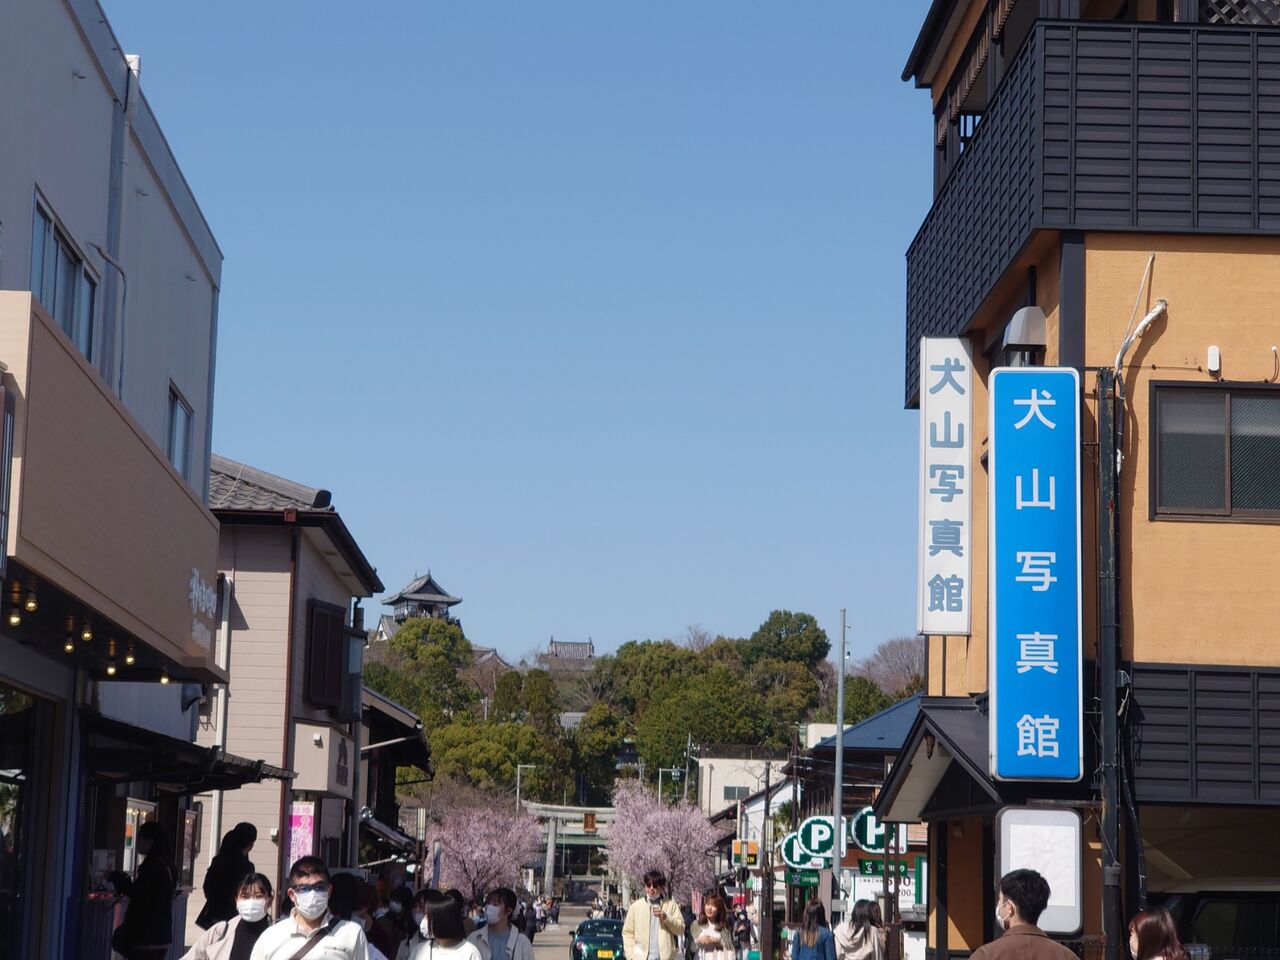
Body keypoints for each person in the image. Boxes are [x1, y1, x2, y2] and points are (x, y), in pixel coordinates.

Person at [249, 855, 369, 959]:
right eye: (304, 889)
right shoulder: (270, 937)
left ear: (329, 891)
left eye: (319, 887)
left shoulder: (351, 933)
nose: (313, 894)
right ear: (292, 894)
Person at [970, 869, 1077, 960]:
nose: (998, 904)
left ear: (1009, 907)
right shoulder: (1067, 956)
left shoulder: (986, 955)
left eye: (1000, 899)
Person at [109, 821, 177, 960]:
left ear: (151, 841)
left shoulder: (154, 866)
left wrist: (118, 879)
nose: (138, 843)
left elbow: (140, 893)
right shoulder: (168, 865)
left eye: (140, 839)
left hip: (145, 935)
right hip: (161, 933)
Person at [181, 872, 275, 960]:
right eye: (244, 896)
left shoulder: (278, 935)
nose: (251, 901)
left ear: (270, 901)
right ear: (236, 900)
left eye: (258, 896)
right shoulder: (220, 932)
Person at [197, 823, 258, 929]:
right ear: (251, 843)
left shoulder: (218, 861)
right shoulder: (246, 866)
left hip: (215, 913)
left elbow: (207, 886)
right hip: (235, 916)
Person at [622, 869, 687, 960]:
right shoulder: (636, 907)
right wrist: (631, 955)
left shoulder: (671, 905)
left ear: (661, 887)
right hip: (641, 957)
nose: (651, 888)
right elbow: (627, 932)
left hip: (664, 957)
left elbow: (680, 929)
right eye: (648, 885)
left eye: (655, 885)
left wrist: (666, 918)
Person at [407, 889, 484, 960]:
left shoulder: (470, 953)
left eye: (427, 916)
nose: (424, 920)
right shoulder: (419, 951)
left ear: (441, 919)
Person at [469, 887, 534, 960]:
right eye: (488, 903)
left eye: (495, 904)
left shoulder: (522, 943)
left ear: (508, 911)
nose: (489, 907)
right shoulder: (474, 938)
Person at [380, 888, 416, 953]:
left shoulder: (411, 924)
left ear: (405, 903)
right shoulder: (385, 919)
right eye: (392, 899)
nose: (393, 903)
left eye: (397, 901)